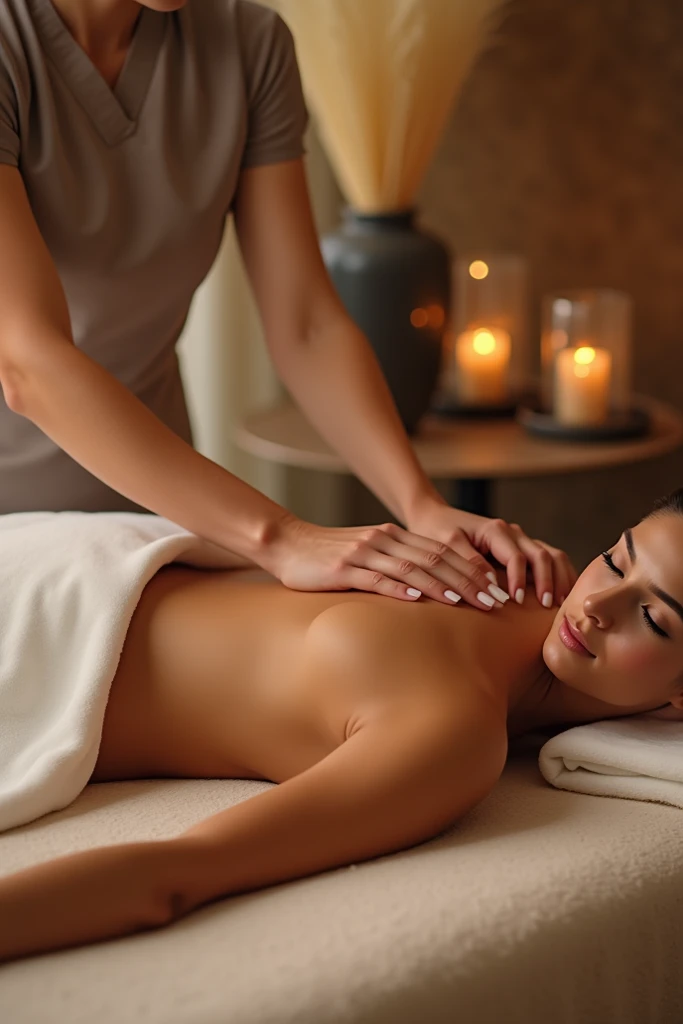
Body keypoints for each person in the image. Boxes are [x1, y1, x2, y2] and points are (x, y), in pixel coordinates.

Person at [0, 0, 574, 611]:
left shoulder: (249, 42)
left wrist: (418, 504)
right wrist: (280, 537)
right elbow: (28, 362)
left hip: (154, 517)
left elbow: (307, 324)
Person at [1, 487, 682, 964]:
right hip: (72, 556)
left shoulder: (453, 738)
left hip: (36, 657)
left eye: (653, 619)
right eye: (617, 559)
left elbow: (178, 874)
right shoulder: (504, 566)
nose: (595, 606)